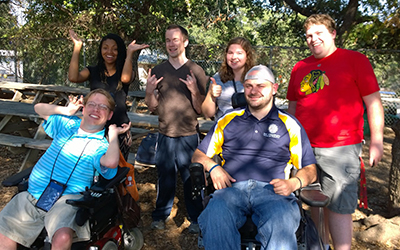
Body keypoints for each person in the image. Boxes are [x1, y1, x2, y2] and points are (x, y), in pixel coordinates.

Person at [192, 65, 317, 250]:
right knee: (216, 214)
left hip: (273, 192)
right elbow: (198, 155)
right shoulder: (228, 119)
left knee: (280, 220)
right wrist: (213, 167)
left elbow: (310, 170)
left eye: (261, 86)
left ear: (274, 89)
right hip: (232, 190)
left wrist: (293, 183)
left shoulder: (289, 124)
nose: (254, 91)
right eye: (249, 86)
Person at [286, 14, 384, 250]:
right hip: (306, 148)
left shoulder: (355, 60)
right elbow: (292, 107)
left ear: (332, 34)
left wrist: (377, 142)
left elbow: (373, 103)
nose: (313, 39)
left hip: (340, 149)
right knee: (314, 202)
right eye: (309, 35)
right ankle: (320, 246)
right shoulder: (300, 67)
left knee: (339, 207)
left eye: (319, 33)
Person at [0, 89, 131, 249]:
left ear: (109, 115)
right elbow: (38, 108)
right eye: (92, 104)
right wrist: (66, 110)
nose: (96, 110)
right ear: (83, 108)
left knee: (62, 237)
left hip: (66, 200)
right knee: (3, 233)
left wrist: (112, 134)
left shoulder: (101, 145)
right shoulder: (66, 125)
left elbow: (110, 163)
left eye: (103, 107)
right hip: (33, 193)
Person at [144, 24, 208, 233]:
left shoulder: (196, 71)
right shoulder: (158, 70)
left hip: (189, 135)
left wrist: (194, 91)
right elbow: (151, 106)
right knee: (165, 176)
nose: (171, 44)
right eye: (168, 40)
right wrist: (150, 91)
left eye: (175, 40)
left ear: (185, 42)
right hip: (165, 134)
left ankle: (197, 218)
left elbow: (202, 109)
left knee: (192, 178)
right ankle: (161, 214)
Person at [68, 30, 149, 159]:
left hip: (118, 130)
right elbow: (73, 77)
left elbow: (126, 79)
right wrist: (77, 47)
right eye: (105, 48)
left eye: (115, 49)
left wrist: (129, 54)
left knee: (115, 171)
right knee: (93, 170)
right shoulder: (92, 71)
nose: (109, 52)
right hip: (94, 129)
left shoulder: (125, 71)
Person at [201, 37, 256, 119]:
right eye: (230, 53)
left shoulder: (256, 77)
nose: (234, 57)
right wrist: (211, 95)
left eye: (239, 53)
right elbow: (207, 114)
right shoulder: (218, 78)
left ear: (247, 56)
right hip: (224, 128)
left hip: (250, 129)